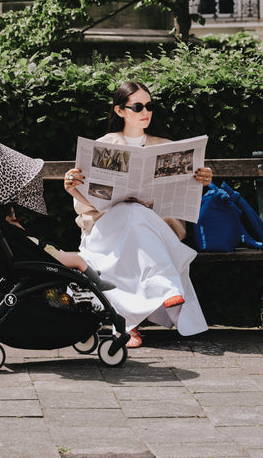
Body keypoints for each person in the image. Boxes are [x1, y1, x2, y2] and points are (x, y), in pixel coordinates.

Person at [63, 81, 213, 348]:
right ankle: (165, 286)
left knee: (135, 215)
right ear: (120, 111)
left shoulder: (166, 147)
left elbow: (180, 198)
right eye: (138, 106)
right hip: (108, 230)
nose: (146, 112)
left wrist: (200, 179)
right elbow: (89, 204)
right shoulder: (104, 146)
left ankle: (127, 324)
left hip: (153, 227)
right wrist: (72, 188)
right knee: (130, 212)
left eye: (150, 106)